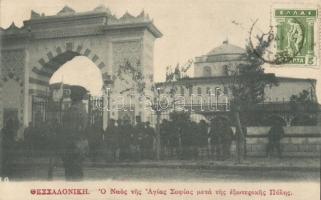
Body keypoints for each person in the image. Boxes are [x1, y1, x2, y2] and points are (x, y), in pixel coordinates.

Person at [60, 85, 88, 181]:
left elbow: (69, 130)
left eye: (72, 94)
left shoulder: (74, 110)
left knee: (72, 173)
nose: (71, 96)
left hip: (72, 146)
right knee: (77, 172)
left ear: (76, 96)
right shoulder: (81, 108)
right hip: (78, 145)